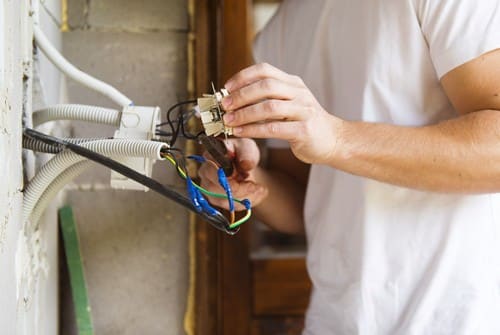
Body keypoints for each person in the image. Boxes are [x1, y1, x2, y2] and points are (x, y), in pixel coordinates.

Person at [199, 0, 500, 334]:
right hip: (336, 321)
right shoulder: (283, 26)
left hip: (458, 319)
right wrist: (251, 184)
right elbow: (308, 200)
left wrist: (338, 138)